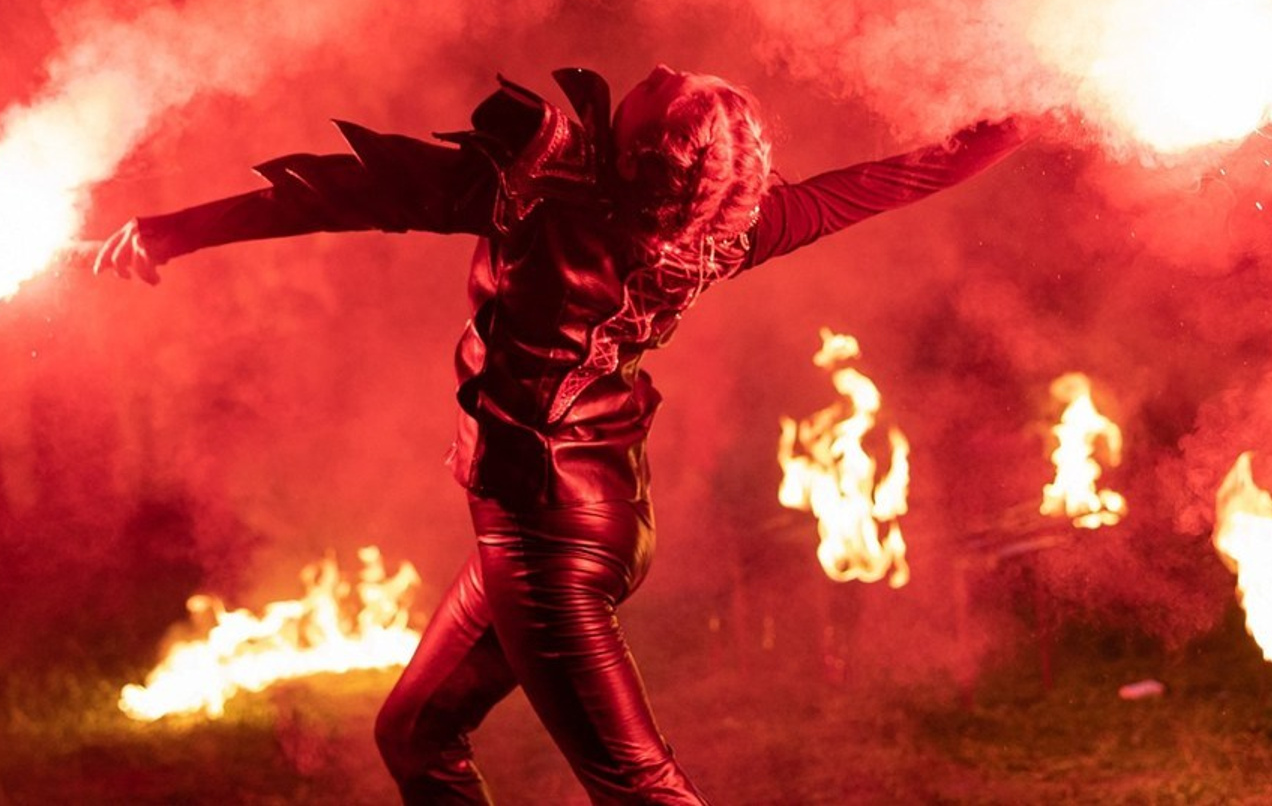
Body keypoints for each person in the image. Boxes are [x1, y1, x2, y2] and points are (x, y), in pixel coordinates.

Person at [95, 64, 1022, 804]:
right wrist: (1034, 107)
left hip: (546, 542)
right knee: (416, 737)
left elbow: (337, 195)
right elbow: (895, 178)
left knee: (638, 787)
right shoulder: (729, 230)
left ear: (646, 145)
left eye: (673, 88)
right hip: (591, 518)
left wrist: (169, 233)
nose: (661, 67)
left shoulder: (539, 203)